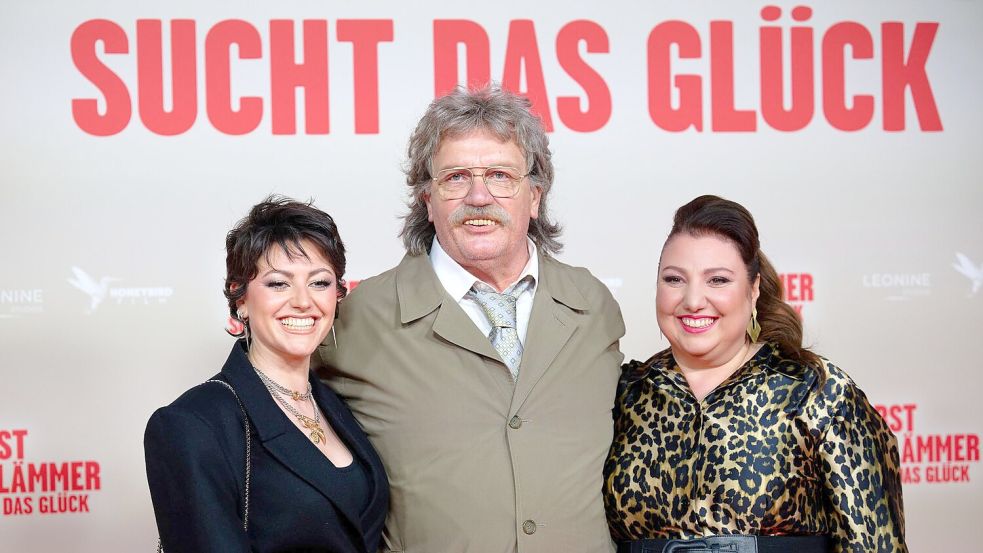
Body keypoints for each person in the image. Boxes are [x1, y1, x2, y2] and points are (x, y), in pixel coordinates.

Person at [316, 85, 626, 552]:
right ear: (427, 199)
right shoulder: (359, 318)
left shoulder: (592, 305)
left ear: (535, 195)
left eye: (500, 175)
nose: (479, 196)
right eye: (456, 177)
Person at [604, 195, 907, 553]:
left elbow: (874, 543)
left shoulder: (818, 391)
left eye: (717, 280)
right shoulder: (623, 394)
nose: (693, 300)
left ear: (754, 289)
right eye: (674, 279)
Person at [145, 197, 388, 553]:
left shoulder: (337, 403)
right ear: (240, 298)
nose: (303, 301)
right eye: (278, 284)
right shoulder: (193, 424)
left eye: (320, 282)